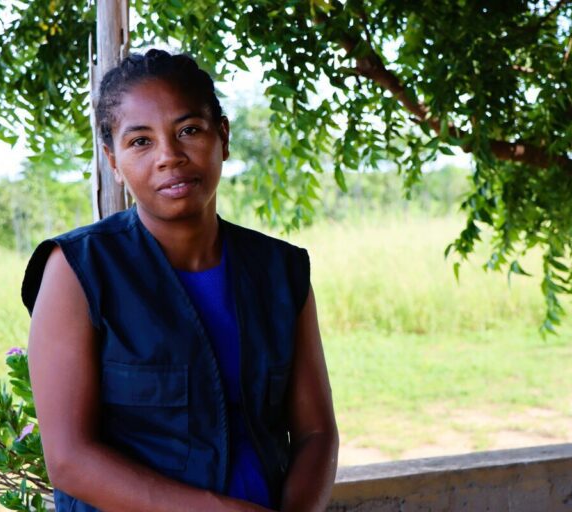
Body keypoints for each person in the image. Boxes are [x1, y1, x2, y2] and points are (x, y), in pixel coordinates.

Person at [21, 49, 339, 512]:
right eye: (140, 142)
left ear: (223, 137)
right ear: (112, 160)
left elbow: (315, 432)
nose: (169, 157)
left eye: (188, 130)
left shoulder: (281, 271)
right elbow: (69, 459)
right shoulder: (77, 270)